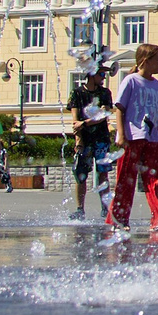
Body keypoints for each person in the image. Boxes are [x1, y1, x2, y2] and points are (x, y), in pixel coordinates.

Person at [106, 42, 158, 231]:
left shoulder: (157, 86)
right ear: (146, 61)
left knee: (155, 179)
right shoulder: (131, 81)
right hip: (132, 138)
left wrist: (157, 137)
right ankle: (119, 220)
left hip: (151, 140)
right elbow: (119, 108)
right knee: (126, 180)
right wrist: (121, 134)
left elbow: (157, 115)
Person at [68, 64, 116, 222]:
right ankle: (80, 209)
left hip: (101, 139)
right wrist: (79, 141)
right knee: (80, 174)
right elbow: (75, 122)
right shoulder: (77, 93)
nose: (104, 78)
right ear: (91, 75)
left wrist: (85, 123)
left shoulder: (105, 93)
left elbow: (104, 114)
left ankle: (105, 208)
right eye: (101, 74)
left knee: (103, 173)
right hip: (85, 140)